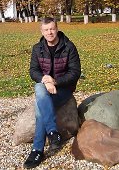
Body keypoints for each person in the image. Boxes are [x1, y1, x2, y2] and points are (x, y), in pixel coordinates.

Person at [23, 17, 81, 169]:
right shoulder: (38, 48)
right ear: (42, 31)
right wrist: (45, 79)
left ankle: (37, 150)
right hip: (45, 86)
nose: (50, 32)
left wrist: (55, 82)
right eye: (46, 29)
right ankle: (52, 132)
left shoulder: (69, 46)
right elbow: (33, 71)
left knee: (39, 109)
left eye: (52, 29)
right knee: (39, 89)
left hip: (64, 89)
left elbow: (75, 72)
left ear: (57, 29)